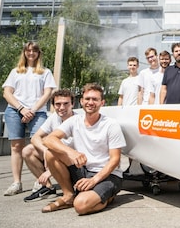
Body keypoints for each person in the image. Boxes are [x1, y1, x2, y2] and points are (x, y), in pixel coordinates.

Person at [41, 83, 126, 214]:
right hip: (84, 169)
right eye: (87, 99)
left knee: (81, 206)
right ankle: (68, 195)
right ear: (81, 101)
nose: (90, 102)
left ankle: (108, 198)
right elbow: (48, 139)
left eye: (95, 99)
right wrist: (71, 152)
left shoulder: (111, 125)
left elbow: (115, 160)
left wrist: (94, 180)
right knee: (50, 153)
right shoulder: (74, 120)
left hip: (107, 175)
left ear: (102, 102)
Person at [2, 41, 56, 196]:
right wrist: (22, 109)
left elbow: (47, 94)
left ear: (38, 53)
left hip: (37, 112)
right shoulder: (15, 72)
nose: (31, 53)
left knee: (38, 144)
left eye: (34, 51)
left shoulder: (45, 72)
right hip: (15, 110)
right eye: (28, 50)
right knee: (16, 147)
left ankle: (41, 180)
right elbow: (7, 93)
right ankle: (16, 183)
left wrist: (32, 110)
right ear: (24, 52)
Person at [21, 89, 77, 202]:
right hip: (57, 158)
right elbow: (35, 137)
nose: (61, 108)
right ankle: (47, 187)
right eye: (58, 104)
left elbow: (74, 153)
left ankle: (70, 190)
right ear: (53, 105)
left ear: (72, 104)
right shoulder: (54, 118)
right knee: (28, 151)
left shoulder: (78, 120)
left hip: (75, 163)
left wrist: (50, 170)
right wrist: (46, 150)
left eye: (66, 104)